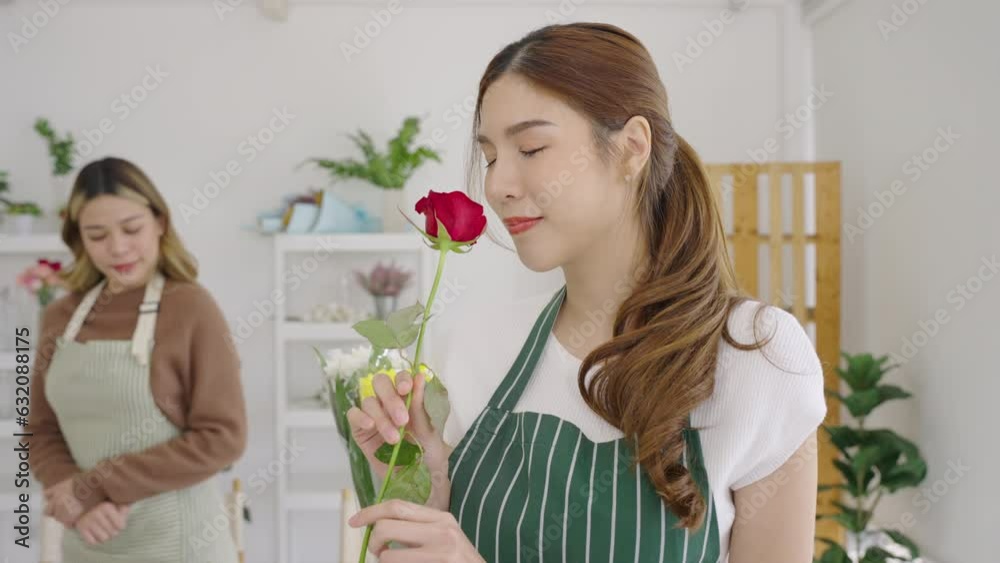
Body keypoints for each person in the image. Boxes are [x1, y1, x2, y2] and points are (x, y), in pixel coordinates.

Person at [346, 22, 826, 563]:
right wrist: (426, 495)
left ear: (631, 148)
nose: (498, 184)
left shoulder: (756, 357)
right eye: (490, 156)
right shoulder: (475, 344)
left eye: (530, 147)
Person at [28, 157, 247, 562]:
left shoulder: (190, 308)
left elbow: (223, 436)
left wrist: (94, 486)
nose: (117, 248)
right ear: (79, 239)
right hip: (88, 543)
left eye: (132, 229)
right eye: (97, 235)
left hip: (181, 545)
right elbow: (40, 429)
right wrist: (73, 496)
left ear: (160, 222)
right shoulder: (59, 318)